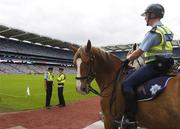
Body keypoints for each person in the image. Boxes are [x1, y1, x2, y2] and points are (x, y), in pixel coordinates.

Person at [114, 3, 174, 129]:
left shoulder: (153, 32)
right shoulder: (167, 31)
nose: (144, 18)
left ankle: (130, 119)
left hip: (155, 66)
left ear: (152, 15)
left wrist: (126, 60)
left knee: (127, 84)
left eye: (146, 15)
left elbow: (139, 51)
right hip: (167, 65)